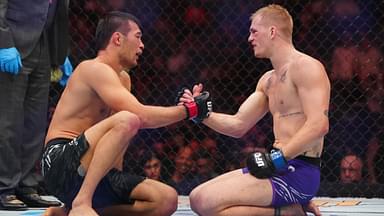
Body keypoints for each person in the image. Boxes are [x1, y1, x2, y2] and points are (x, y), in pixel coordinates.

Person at [41, 11, 211, 216]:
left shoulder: (123, 79)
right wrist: (188, 111)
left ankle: (65, 212)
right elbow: (140, 117)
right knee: (128, 119)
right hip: (60, 163)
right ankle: (81, 202)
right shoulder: (93, 69)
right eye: (138, 37)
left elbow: (118, 140)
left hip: (91, 169)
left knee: (166, 200)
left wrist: (115, 181)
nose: (142, 46)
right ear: (118, 38)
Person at [180, 4, 328, 216]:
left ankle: (289, 212)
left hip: (299, 171)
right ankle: (287, 210)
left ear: (272, 31)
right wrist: (200, 113)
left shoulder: (307, 67)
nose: (249, 38)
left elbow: (319, 124)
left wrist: (278, 159)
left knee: (205, 202)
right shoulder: (267, 80)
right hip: (278, 165)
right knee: (197, 197)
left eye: (253, 31)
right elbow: (238, 124)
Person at [0, 0, 72, 210]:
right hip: (13, 42)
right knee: (8, 122)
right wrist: (3, 44)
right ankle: (4, 187)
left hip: (43, 45)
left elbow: (56, 12)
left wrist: (60, 52)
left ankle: (26, 185)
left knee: (35, 123)